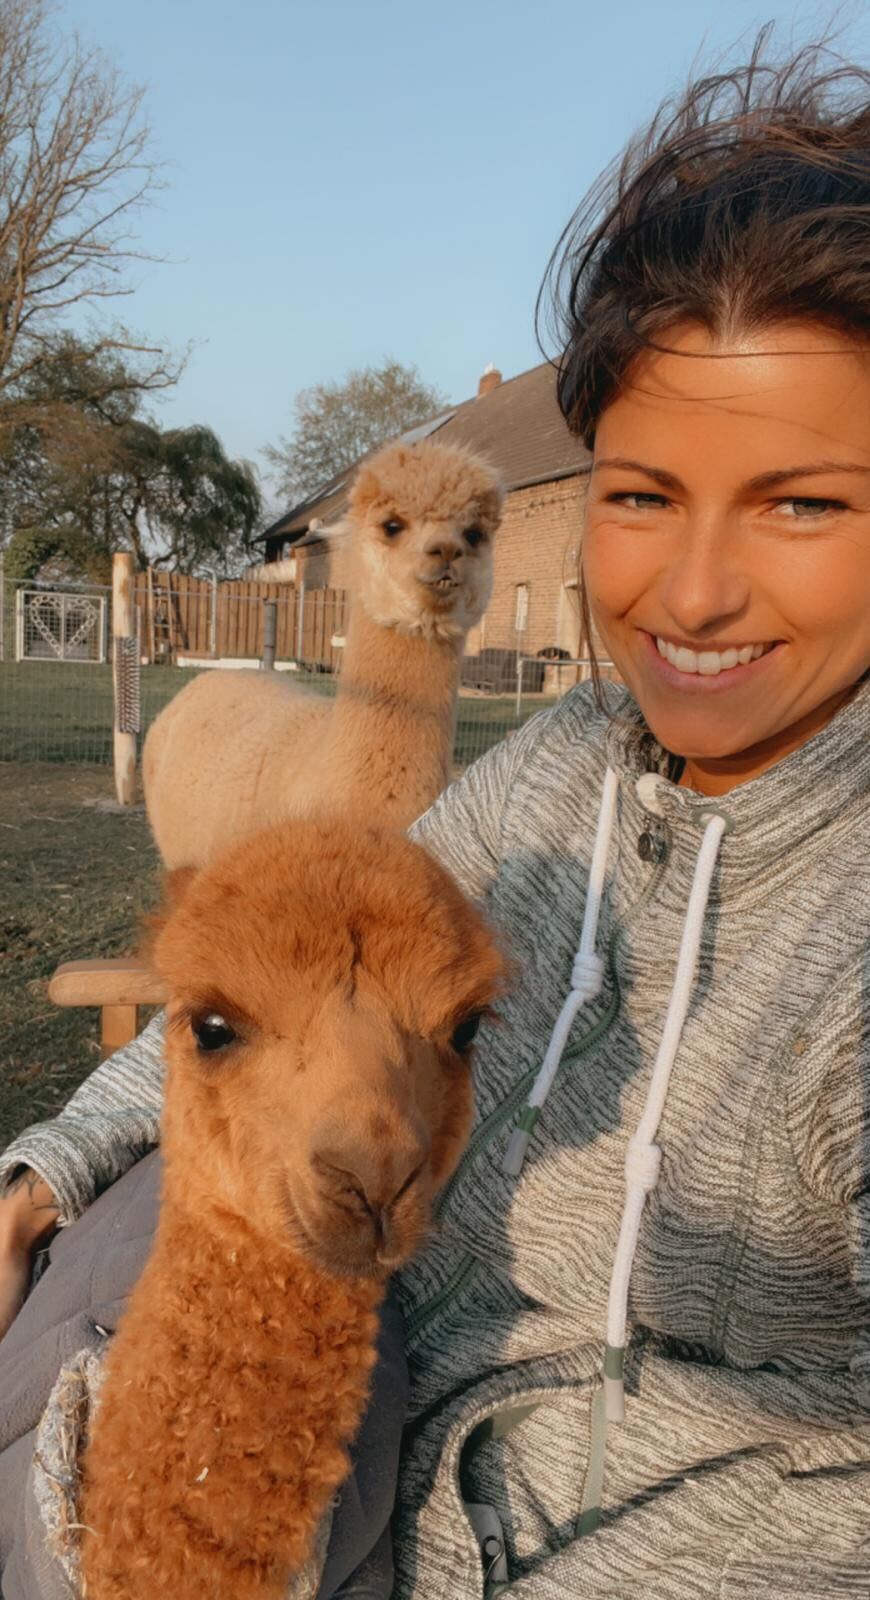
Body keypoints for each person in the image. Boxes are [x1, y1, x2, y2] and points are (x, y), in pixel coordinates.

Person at [2, 34, 869, 1600]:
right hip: (360, 1384)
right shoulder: (563, 760)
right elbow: (249, 986)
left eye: (802, 503)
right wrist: (50, 1167)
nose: (690, 593)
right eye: (638, 493)